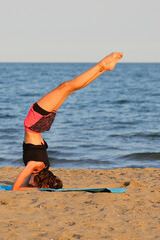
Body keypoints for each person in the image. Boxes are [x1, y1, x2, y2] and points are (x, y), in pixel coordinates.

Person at [12, 52, 123, 190]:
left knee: (68, 88)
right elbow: (16, 189)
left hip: (42, 124)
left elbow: (20, 186)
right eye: (32, 183)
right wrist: (36, 188)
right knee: (67, 87)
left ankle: (104, 67)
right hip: (35, 122)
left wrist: (35, 186)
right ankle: (102, 66)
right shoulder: (34, 166)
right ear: (41, 181)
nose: (29, 182)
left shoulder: (43, 165)